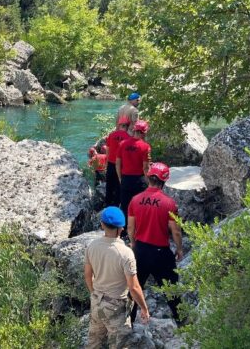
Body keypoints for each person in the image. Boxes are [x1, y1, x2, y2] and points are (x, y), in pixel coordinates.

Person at [126, 162, 184, 324]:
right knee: (171, 288)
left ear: (148, 177)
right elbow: (176, 231)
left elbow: (130, 227)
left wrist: (133, 245)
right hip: (161, 252)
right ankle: (182, 321)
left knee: (134, 289)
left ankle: (127, 322)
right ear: (165, 181)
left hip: (141, 250)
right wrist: (179, 249)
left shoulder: (135, 200)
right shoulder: (169, 203)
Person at [84, 207, 150, 349]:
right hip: (116, 307)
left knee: (93, 343)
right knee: (119, 345)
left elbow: (88, 275)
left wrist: (94, 293)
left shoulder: (92, 246)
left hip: (96, 301)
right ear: (122, 228)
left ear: (102, 224)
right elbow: (134, 287)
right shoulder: (126, 254)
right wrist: (144, 308)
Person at [116, 120, 151, 231]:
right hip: (139, 180)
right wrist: (149, 182)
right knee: (140, 206)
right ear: (144, 132)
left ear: (134, 130)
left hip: (126, 179)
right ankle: (139, 229)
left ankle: (125, 229)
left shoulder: (122, 144)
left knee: (125, 205)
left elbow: (118, 163)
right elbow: (145, 167)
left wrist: (120, 178)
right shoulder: (145, 147)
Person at [104, 116, 131, 206]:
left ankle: (107, 203)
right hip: (121, 166)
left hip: (111, 164)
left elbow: (107, 149)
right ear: (127, 126)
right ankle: (116, 204)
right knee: (119, 185)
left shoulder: (111, 135)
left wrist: (108, 161)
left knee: (109, 185)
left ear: (119, 125)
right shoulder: (128, 138)